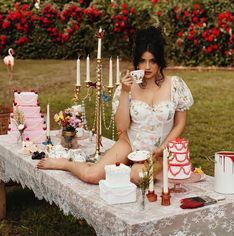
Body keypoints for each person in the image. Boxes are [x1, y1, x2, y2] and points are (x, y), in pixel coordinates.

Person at [37, 26, 193, 184]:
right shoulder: (127, 87)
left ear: (160, 61)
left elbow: (180, 124)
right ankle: (67, 164)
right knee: (91, 176)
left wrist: (161, 149)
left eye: (152, 61)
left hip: (160, 150)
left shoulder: (175, 85)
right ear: (136, 62)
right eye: (142, 61)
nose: (147, 67)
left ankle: (123, 170)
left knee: (138, 177)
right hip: (130, 143)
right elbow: (122, 127)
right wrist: (125, 92)